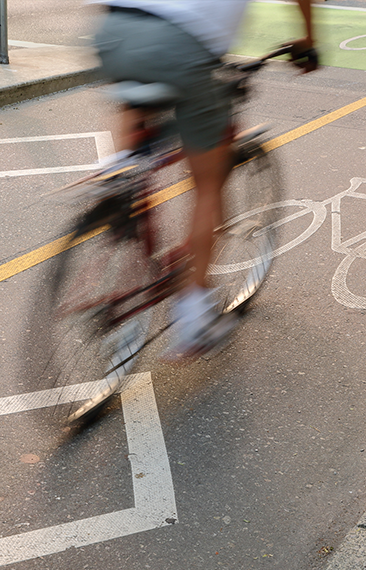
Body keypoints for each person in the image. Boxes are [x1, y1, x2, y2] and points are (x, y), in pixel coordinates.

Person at [92, 0, 317, 360]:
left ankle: (121, 179)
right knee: (208, 184)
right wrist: (308, 40)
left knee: (138, 113)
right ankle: (194, 316)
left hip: (116, 28)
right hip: (183, 44)